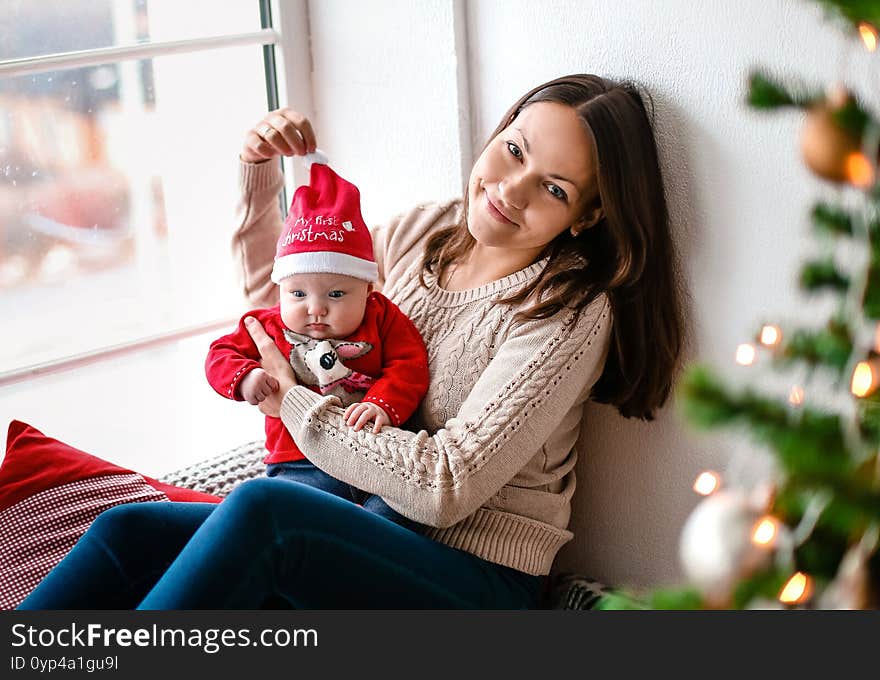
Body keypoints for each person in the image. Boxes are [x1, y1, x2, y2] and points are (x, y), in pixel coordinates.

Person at [18, 73, 685, 610]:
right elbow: (286, 326)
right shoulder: (422, 231)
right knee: (126, 531)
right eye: (514, 150)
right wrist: (259, 178)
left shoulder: (566, 311)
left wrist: (296, 406)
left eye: (553, 188)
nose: (510, 190)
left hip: (472, 577)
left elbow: (447, 485)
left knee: (265, 512)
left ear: (588, 214)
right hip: (366, 525)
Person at [205, 152, 430, 533]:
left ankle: (360, 552)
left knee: (401, 512)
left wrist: (384, 404)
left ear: (368, 289)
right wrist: (244, 378)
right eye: (297, 294)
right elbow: (219, 354)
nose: (316, 310)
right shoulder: (268, 324)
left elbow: (410, 364)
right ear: (280, 289)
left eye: (337, 295)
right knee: (298, 514)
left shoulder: (382, 316)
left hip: (376, 456)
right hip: (300, 459)